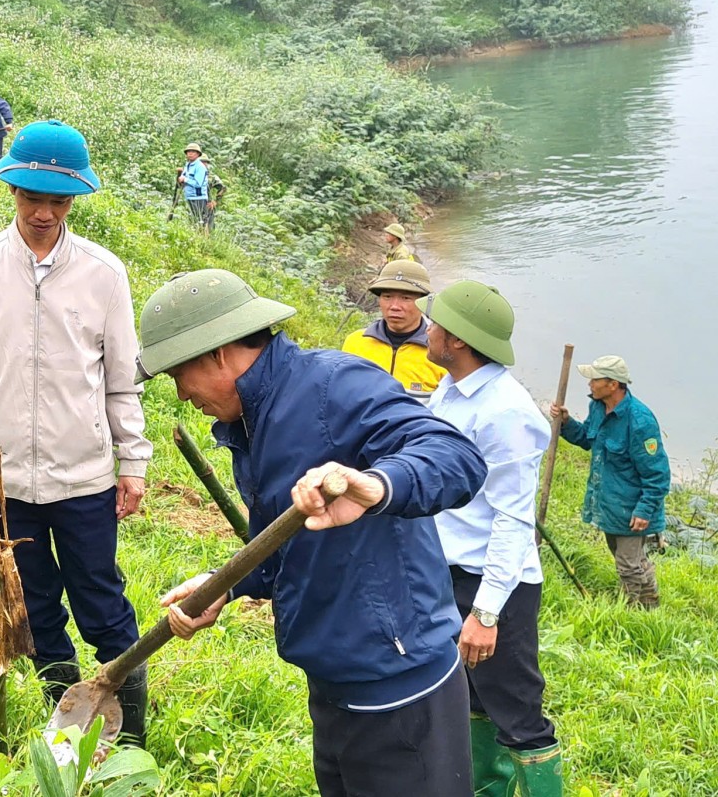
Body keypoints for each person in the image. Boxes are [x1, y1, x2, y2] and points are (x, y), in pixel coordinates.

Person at [142, 268, 487, 797]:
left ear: (217, 354)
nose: (182, 395)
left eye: (176, 375)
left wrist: (377, 483)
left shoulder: (335, 385)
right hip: (333, 680)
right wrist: (225, 586)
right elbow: (286, 548)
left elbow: (456, 457)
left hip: (399, 686)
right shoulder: (253, 418)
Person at [0, 120, 153, 744]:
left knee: (101, 602)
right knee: (36, 607)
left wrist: (133, 463)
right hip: (7, 479)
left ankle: (129, 735)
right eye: (31, 197)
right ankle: (68, 724)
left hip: (84, 479)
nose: (43, 212)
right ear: (11, 192)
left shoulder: (104, 274)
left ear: (73, 201)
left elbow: (122, 380)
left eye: (57, 200)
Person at [426, 281, 562, 797]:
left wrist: (486, 613)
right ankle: (489, 789)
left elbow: (512, 519)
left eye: (435, 324)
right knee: (472, 699)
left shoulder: (505, 413)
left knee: (516, 710)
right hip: (453, 570)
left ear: (458, 340)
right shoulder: (453, 391)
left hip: (494, 582)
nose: (428, 331)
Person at [549, 356, 670, 609]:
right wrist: (566, 423)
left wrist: (644, 509)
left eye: (595, 379)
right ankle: (651, 605)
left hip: (632, 508)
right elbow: (586, 438)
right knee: (629, 559)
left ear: (613, 384)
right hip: (609, 505)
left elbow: (657, 474)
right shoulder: (597, 407)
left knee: (628, 565)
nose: (590, 384)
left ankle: (630, 612)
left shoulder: (640, 421)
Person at [341, 260, 446, 403]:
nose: (394, 306)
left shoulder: (440, 351)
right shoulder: (355, 342)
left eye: (406, 298)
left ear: (424, 302)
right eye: (387, 297)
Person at [178, 144, 210, 228]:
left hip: (199, 198)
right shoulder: (187, 165)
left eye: (193, 152)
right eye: (188, 152)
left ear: (198, 154)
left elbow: (198, 184)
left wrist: (185, 179)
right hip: (189, 197)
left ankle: (203, 238)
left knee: (201, 221)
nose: (190, 154)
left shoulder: (200, 167)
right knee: (192, 221)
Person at [200, 158, 227, 232]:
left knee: (209, 228)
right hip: (194, 204)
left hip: (207, 205)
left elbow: (223, 188)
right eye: (201, 162)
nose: (203, 164)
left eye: (205, 162)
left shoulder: (211, 177)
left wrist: (215, 201)